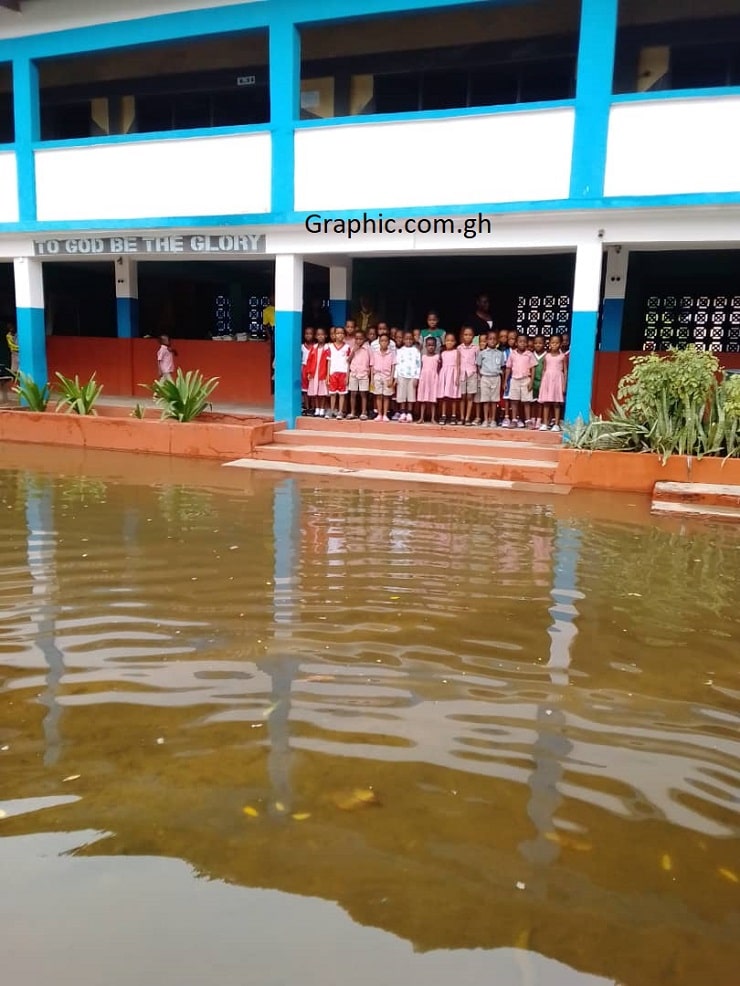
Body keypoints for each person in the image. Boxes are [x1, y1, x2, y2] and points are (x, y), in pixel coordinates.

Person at [504, 333, 536, 429]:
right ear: (516, 343)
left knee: (526, 401)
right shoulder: (512, 354)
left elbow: (533, 368)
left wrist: (531, 381)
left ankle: (528, 420)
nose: (522, 344)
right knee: (514, 400)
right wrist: (505, 381)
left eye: (524, 342)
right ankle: (514, 420)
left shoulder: (529, 354)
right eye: (520, 342)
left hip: (526, 379)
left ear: (527, 344)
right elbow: (508, 368)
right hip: (514, 379)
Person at [476, 330, 506, 428]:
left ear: (497, 341)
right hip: (485, 377)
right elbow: (478, 366)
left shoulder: (500, 354)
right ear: (487, 340)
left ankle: (493, 420)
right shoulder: (482, 353)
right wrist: (481, 376)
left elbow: (502, 367)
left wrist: (502, 381)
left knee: (494, 400)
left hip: (496, 378)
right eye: (490, 339)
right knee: (485, 400)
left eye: (494, 339)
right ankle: (485, 419)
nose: (492, 341)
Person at [539, 334, 568, 432]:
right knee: (546, 403)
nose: (554, 345)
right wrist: (543, 383)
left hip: (557, 381)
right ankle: (545, 423)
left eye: (557, 343)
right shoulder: (546, 356)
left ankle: (556, 424)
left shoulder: (562, 356)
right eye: (552, 342)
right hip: (548, 381)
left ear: (560, 344)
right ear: (549, 344)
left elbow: (565, 370)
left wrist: (564, 384)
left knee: (556, 403)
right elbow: (544, 370)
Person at [395, 330, 422, 422]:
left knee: (411, 395)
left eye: (410, 339)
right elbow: (396, 364)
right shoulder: (399, 351)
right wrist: (396, 377)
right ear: (403, 340)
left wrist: (416, 377)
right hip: (401, 375)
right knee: (402, 395)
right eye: (406, 339)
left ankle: (409, 412)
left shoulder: (416, 351)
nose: (408, 341)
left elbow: (418, 365)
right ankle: (403, 412)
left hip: (412, 376)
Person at [327, 325, 351, 419]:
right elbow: (328, 361)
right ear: (334, 335)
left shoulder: (347, 347)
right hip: (333, 373)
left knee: (342, 394)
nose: (339, 335)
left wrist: (348, 376)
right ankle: (332, 410)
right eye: (337, 333)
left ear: (344, 335)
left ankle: (340, 411)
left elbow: (348, 363)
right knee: (332, 393)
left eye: (341, 333)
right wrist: (327, 375)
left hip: (343, 373)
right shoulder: (330, 347)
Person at [347, 328, 371, 420]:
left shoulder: (367, 348)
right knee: (353, 393)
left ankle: (363, 412)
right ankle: (352, 412)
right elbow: (348, 360)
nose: (358, 340)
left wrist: (369, 374)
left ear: (364, 339)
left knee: (363, 394)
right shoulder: (352, 348)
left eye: (360, 339)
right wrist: (353, 351)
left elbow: (371, 362)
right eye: (356, 339)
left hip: (364, 374)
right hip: (353, 374)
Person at [371, 333, 396, 422]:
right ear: (379, 342)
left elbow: (393, 366)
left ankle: (385, 414)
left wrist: (391, 378)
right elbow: (372, 366)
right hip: (377, 376)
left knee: (386, 396)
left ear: (389, 342)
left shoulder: (392, 353)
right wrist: (372, 379)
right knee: (378, 396)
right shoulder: (375, 353)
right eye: (382, 341)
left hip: (387, 376)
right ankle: (379, 414)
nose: (384, 342)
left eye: (386, 341)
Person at [457, 325, 478, 426]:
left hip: (472, 374)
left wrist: (478, 375)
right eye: (465, 335)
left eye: (470, 335)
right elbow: (457, 363)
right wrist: (456, 377)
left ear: (473, 336)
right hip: (461, 374)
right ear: (462, 336)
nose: (467, 337)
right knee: (462, 397)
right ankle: (461, 417)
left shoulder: (476, 348)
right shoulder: (459, 348)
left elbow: (477, 363)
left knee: (470, 397)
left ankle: (467, 418)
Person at [306, 326, 329, 417]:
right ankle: (317, 408)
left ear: (326, 336)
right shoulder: (314, 347)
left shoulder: (328, 348)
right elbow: (309, 360)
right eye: (318, 335)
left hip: (323, 373)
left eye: (322, 335)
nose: (320, 336)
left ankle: (322, 409)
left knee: (322, 393)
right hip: (314, 373)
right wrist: (308, 372)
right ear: (316, 336)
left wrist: (328, 374)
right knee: (315, 392)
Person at [437, 332, 459, 425]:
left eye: (451, 341)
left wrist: (457, 376)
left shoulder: (457, 352)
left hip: (453, 374)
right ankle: (443, 415)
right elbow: (440, 365)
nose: (449, 342)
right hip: (444, 374)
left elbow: (458, 365)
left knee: (453, 396)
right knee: (444, 397)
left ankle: (453, 415)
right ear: (444, 342)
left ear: (455, 342)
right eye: (447, 340)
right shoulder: (443, 353)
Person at [416, 335, 440, 425]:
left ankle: (433, 418)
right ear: (425, 346)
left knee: (433, 400)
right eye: (429, 345)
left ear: (435, 346)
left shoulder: (437, 357)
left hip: (433, 380)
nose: (431, 347)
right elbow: (420, 368)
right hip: (424, 379)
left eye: (433, 345)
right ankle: (421, 417)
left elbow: (438, 369)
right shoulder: (423, 357)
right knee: (423, 400)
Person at [531, 335, 546, 428]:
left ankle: (539, 420)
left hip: (543, 382)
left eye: (540, 343)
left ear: (544, 344)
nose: (538, 345)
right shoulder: (531, 354)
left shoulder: (546, 355)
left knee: (541, 402)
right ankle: (532, 419)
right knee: (532, 402)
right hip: (532, 382)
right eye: (536, 343)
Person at [300, 327, 315, 415]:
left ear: (314, 335)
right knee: (305, 390)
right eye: (306, 333)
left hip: (313, 369)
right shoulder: (301, 346)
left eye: (310, 333)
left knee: (312, 389)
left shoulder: (315, 346)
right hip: (304, 368)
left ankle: (313, 407)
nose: (308, 335)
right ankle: (307, 407)